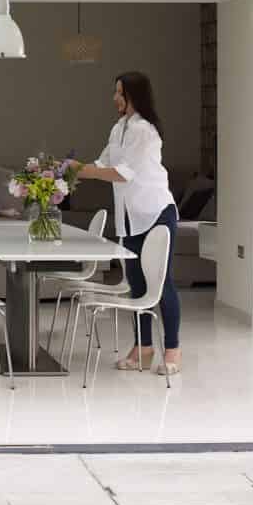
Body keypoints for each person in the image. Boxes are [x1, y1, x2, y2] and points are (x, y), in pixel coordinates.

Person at [71, 72, 182, 375]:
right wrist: (68, 171)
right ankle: (143, 349)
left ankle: (172, 351)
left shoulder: (144, 132)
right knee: (137, 286)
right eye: (115, 92)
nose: (115, 98)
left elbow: (122, 174)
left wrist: (83, 171)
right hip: (130, 219)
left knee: (162, 284)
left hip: (156, 213)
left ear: (135, 95)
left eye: (120, 93)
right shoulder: (118, 128)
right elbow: (103, 164)